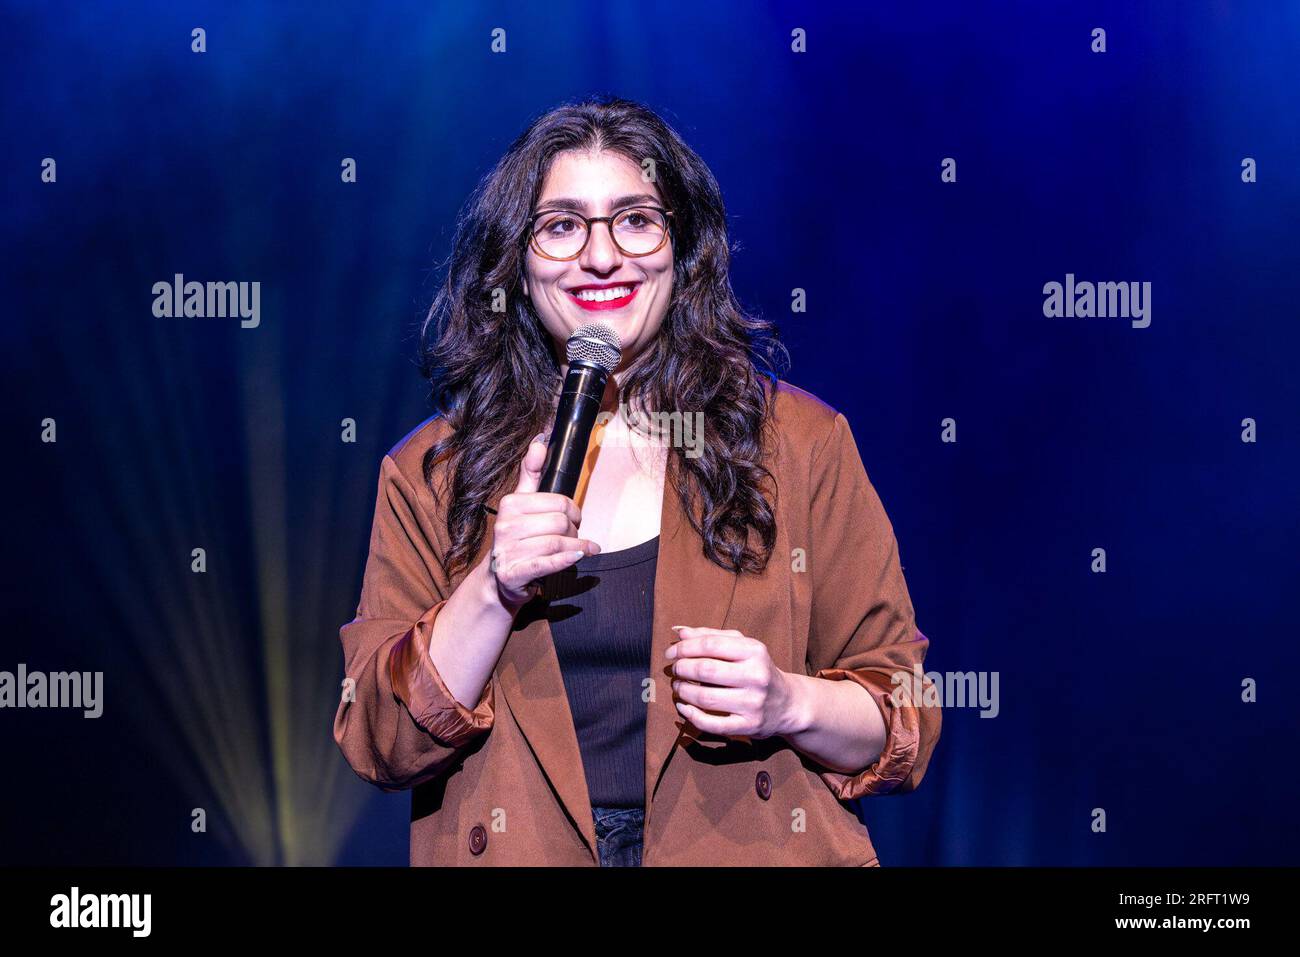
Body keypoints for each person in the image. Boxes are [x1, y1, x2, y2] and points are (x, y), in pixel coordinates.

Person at [333, 95, 941, 866]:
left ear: (682, 248)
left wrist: (790, 701)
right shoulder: (432, 470)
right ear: (516, 263)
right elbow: (378, 741)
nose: (601, 256)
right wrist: (490, 587)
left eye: (635, 219)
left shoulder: (799, 444)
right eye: (561, 226)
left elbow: (907, 715)